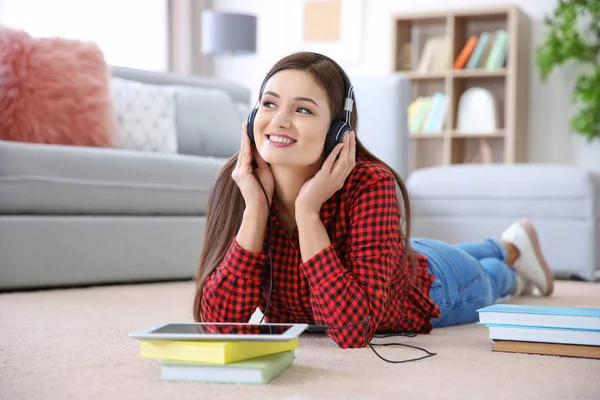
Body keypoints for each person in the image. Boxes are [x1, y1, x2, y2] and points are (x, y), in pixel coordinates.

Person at [192, 51, 554, 349]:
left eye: (302, 109)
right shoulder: (238, 182)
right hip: (394, 254)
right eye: (269, 104)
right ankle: (506, 242)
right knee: (453, 252)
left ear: (339, 131)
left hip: (435, 283)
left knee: (495, 278)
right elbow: (219, 323)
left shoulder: (370, 184)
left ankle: (511, 255)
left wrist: (307, 212)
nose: (280, 120)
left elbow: (352, 332)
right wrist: (256, 208)